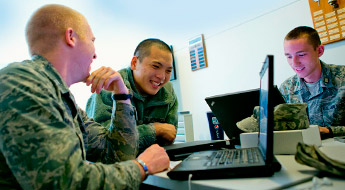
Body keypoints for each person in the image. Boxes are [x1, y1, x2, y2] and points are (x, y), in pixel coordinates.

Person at [0, 4, 169, 189]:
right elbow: (65, 184)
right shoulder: (23, 82)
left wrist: (122, 95)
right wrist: (142, 166)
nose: (95, 54)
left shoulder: (60, 98)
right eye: (92, 41)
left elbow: (116, 155)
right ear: (71, 37)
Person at [86, 38, 178, 152]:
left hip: (156, 164)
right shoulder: (110, 87)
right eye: (155, 66)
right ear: (134, 63)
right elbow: (105, 144)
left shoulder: (167, 93)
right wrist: (155, 129)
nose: (162, 77)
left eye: (168, 71)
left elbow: (169, 136)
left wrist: (134, 135)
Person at [280, 26, 345, 138]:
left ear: (319, 51)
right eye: (289, 56)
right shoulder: (286, 88)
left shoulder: (342, 77)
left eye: (301, 55)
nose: (294, 63)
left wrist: (329, 131)